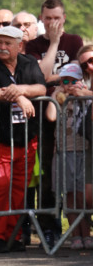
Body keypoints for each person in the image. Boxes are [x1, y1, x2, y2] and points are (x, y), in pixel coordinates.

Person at [0, 26, 46, 253]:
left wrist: (20, 90)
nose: (3, 47)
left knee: (19, 188)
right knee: (1, 185)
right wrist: (19, 98)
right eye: (0, 43)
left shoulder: (29, 63)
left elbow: (40, 87)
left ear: (20, 45)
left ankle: (14, 235)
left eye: (8, 43)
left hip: (26, 139)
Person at [25, 0, 83, 247]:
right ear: (41, 18)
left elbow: (78, 72)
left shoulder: (76, 41)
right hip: (43, 120)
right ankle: (49, 227)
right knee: (47, 175)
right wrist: (55, 44)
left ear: (64, 18)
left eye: (56, 18)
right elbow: (43, 74)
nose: (51, 23)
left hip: (71, 119)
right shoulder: (33, 44)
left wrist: (56, 78)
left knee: (73, 175)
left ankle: (80, 229)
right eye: (47, 18)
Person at [46, 63, 93, 250]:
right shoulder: (59, 100)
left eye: (74, 81)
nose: (69, 85)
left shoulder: (85, 97)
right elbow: (50, 116)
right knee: (70, 196)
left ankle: (86, 233)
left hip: (83, 150)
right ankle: (75, 235)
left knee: (83, 195)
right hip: (63, 152)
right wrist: (55, 94)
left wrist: (83, 93)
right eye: (65, 81)